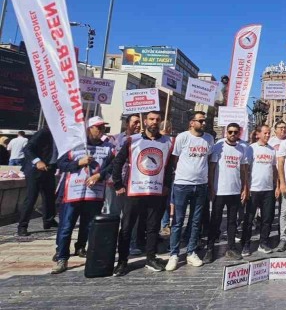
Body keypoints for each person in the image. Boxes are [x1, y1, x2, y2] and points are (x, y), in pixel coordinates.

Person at [111, 111, 173, 276]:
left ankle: (151, 258)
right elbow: (118, 161)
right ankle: (122, 261)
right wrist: (118, 184)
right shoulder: (133, 140)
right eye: (151, 119)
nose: (154, 122)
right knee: (126, 227)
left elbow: (169, 166)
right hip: (134, 191)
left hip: (156, 191)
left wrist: (167, 185)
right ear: (145, 121)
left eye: (157, 120)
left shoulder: (167, 142)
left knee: (153, 227)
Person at [51, 116, 115, 274]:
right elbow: (61, 164)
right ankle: (62, 256)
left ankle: (81, 246)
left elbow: (113, 165)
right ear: (89, 129)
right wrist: (78, 163)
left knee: (89, 225)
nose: (100, 131)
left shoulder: (108, 147)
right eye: (97, 127)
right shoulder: (74, 146)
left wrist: (99, 176)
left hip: (94, 193)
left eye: (103, 128)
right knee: (67, 225)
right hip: (73, 192)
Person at [167, 111, 215, 271]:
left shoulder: (209, 138)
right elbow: (175, 159)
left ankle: (191, 252)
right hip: (182, 184)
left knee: (195, 221)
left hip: (200, 185)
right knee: (178, 220)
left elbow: (207, 159)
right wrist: (183, 174)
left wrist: (207, 182)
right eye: (200, 121)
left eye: (204, 121)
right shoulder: (182, 137)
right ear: (191, 123)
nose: (203, 123)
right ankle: (173, 254)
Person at [205, 123, 249, 263]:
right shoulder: (219, 146)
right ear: (226, 132)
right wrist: (211, 187)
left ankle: (231, 247)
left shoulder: (242, 149)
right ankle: (210, 248)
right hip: (220, 190)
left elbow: (243, 171)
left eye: (235, 132)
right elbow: (211, 168)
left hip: (235, 191)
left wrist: (245, 188)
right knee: (215, 221)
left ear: (239, 134)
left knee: (232, 222)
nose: (232, 134)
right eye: (230, 132)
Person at [242, 125, 277, 255]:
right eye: (265, 133)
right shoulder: (251, 148)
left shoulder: (272, 150)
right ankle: (245, 244)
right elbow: (246, 169)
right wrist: (246, 187)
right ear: (258, 134)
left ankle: (264, 242)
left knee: (267, 218)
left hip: (268, 189)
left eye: (269, 133)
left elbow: (274, 169)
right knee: (249, 219)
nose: (268, 135)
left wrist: (277, 185)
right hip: (254, 188)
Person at [17, 127, 58, 237]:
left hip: (49, 168)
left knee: (49, 196)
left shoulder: (62, 135)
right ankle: (22, 226)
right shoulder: (45, 132)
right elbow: (27, 148)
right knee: (31, 197)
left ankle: (49, 220)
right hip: (35, 169)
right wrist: (37, 161)